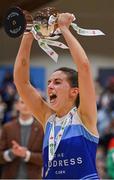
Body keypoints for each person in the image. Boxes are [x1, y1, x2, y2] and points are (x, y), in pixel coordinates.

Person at [13, 13, 99, 179]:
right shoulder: (48, 118)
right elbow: (21, 82)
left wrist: (64, 28)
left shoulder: (85, 117)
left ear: (74, 91)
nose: (50, 86)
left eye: (58, 82)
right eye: (49, 82)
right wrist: (28, 34)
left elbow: (84, 67)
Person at [0, 97, 44, 179]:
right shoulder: (7, 127)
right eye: (23, 102)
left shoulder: (42, 129)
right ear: (17, 105)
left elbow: (46, 158)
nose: (26, 105)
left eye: (29, 102)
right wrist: (11, 153)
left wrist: (27, 154)